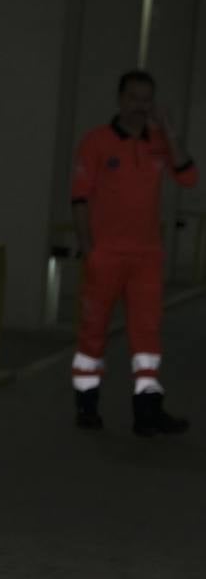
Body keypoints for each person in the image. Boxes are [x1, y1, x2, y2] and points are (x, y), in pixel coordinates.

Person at [69, 69, 196, 435]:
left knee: (147, 335)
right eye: (134, 98)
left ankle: (147, 410)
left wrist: (169, 132)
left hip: (146, 257)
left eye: (146, 99)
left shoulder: (159, 143)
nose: (140, 106)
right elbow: (79, 197)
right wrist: (88, 247)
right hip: (106, 254)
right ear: (120, 99)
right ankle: (86, 405)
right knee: (93, 332)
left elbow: (188, 177)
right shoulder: (96, 143)